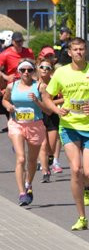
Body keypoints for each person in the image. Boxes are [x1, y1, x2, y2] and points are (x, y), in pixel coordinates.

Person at [39, 37, 89, 231]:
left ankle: (88, 186)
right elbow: (47, 96)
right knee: (76, 170)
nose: (79, 52)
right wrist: (57, 111)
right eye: (76, 49)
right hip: (69, 126)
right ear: (70, 53)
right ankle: (82, 217)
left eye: (82, 49)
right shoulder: (61, 73)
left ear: (86, 51)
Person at [2, 59, 47, 205]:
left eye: (29, 70)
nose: (26, 73)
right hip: (17, 125)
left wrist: (37, 101)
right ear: (18, 72)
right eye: (23, 70)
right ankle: (22, 193)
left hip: (35, 125)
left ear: (34, 71)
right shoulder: (12, 86)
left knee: (32, 161)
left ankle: (28, 184)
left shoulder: (40, 87)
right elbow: (5, 100)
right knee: (21, 159)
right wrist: (8, 106)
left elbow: (48, 110)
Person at [36, 59, 63, 181]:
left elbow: (65, 98)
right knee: (43, 145)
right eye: (42, 67)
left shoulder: (55, 83)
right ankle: (45, 172)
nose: (44, 70)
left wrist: (50, 102)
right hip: (38, 117)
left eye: (47, 68)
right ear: (38, 68)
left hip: (52, 116)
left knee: (50, 148)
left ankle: (51, 157)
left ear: (51, 70)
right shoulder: (34, 84)